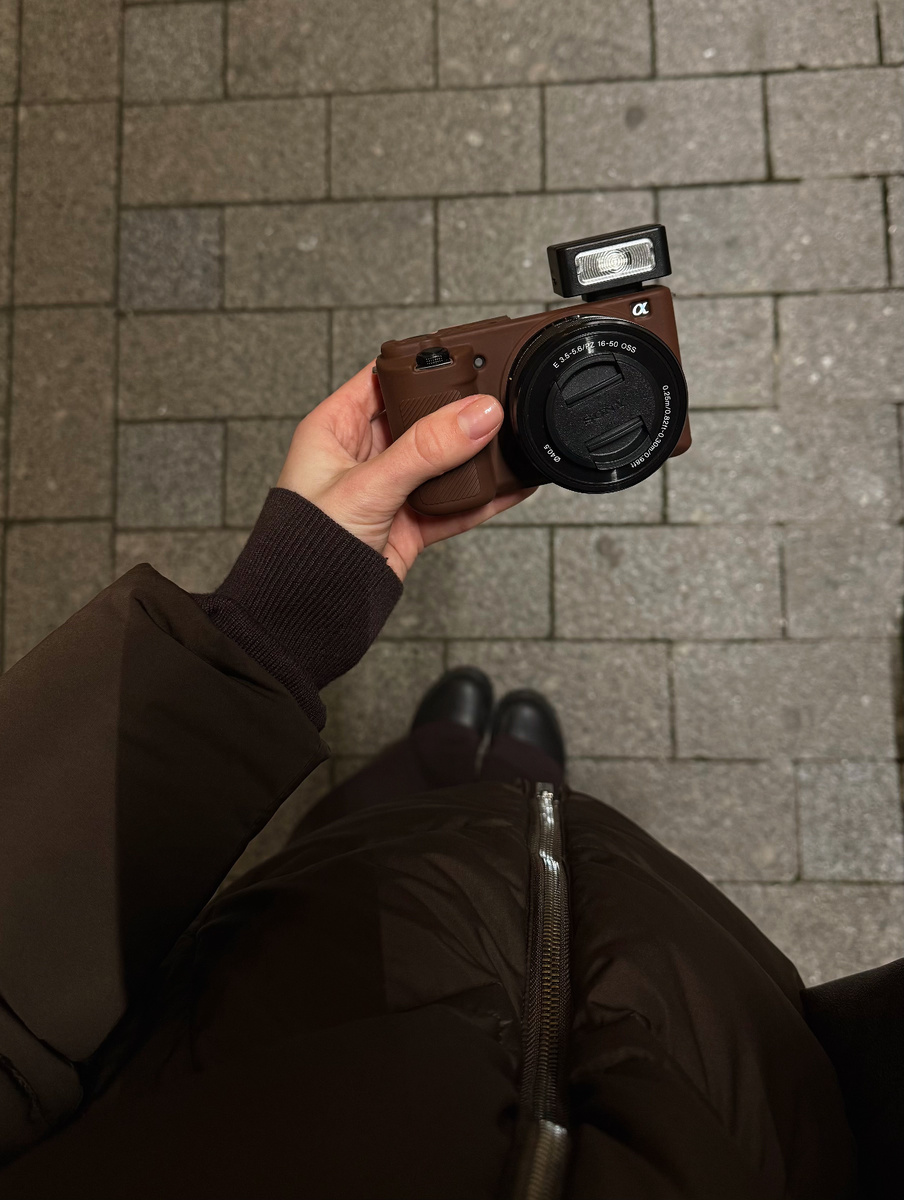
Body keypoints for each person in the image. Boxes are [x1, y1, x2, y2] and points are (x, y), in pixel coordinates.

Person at [0, 364, 881, 1199]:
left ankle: (449, 759)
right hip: (673, 985)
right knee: (490, 803)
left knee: (393, 818)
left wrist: (268, 630)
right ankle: (500, 778)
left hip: (313, 951)